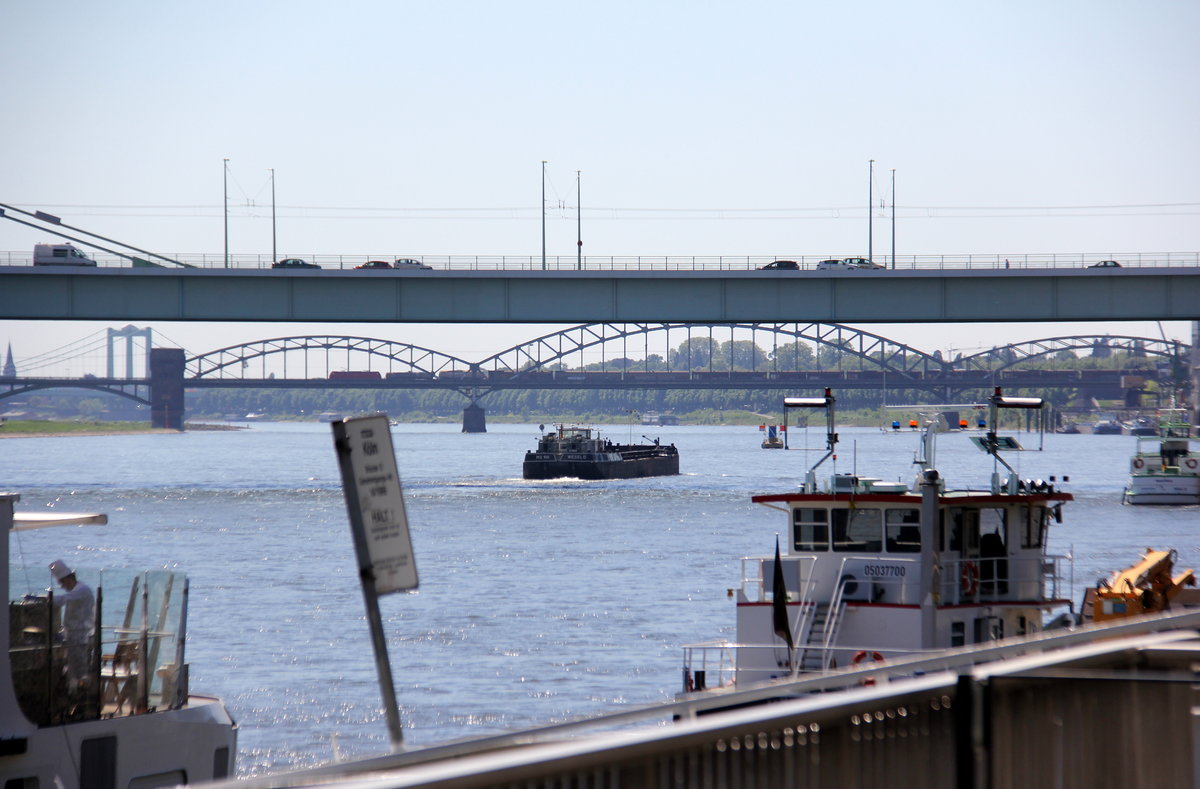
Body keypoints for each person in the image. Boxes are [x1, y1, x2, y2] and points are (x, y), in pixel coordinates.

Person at [49, 559, 95, 691]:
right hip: (72, 634)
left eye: (62, 583)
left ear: (68, 579)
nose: (62, 587)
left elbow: (63, 600)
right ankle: (73, 692)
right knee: (72, 668)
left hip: (80, 635)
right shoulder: (76, 591)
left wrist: (47, 599)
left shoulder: (82, 590)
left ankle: (84, 694)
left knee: (80, 668)